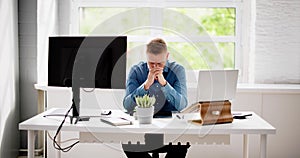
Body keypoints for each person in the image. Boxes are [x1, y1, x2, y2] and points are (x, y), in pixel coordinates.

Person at [122, 38, 189, 158]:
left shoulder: (178, 70)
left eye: (160, 64)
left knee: (181, 144)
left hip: (171, 128)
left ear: (167, 56)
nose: (155, 67)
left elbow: (182, 105)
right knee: (128, 143)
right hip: (142, 126)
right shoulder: (136, 71)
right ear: (146, 57)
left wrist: (164, 84)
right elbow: (127, 105)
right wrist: (146, 85)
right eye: (151, 63)